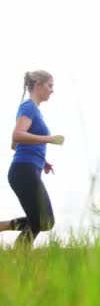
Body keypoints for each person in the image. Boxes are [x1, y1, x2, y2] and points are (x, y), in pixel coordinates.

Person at [0, 70, 65, 246]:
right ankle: (19, 256)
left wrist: (43, 161)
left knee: (43, 221)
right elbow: (17, 135)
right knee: (41, 221)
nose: (52, 90)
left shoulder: (33, 110)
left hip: (27, 170)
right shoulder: (28, 107)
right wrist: (48, 139)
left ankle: (5, 226)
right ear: (38, 85)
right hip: (23, 171)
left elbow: (15, 145)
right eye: (50, 86)